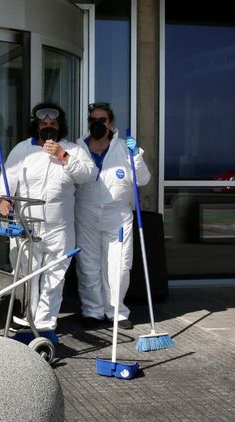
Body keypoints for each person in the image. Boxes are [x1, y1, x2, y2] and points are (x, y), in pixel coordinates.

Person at [0, 102, 95, 335]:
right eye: (43, 124)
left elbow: (88, 175)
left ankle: (45, 324)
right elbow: (7, 178)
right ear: (36, 126)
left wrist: (63, 155)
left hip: (60, 227)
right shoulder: (22, 149)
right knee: (27, 275)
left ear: (60, 127)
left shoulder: (74, 149)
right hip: (27, 225)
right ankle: (27, 319)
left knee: (55, 276)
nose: (48, 127)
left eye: (53, 124)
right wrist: (4, 199)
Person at [75, 102, 151, 330]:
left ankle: (116, 311)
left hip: (117, 215)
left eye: (102, 121)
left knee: (118, 266)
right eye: (93, 121)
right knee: (88, 265)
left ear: (111, 123)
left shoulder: (124, 148)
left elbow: (143, 179)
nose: (98, 125)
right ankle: (93, 311)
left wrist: (136, 154)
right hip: (86, 212)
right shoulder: (78, 147)